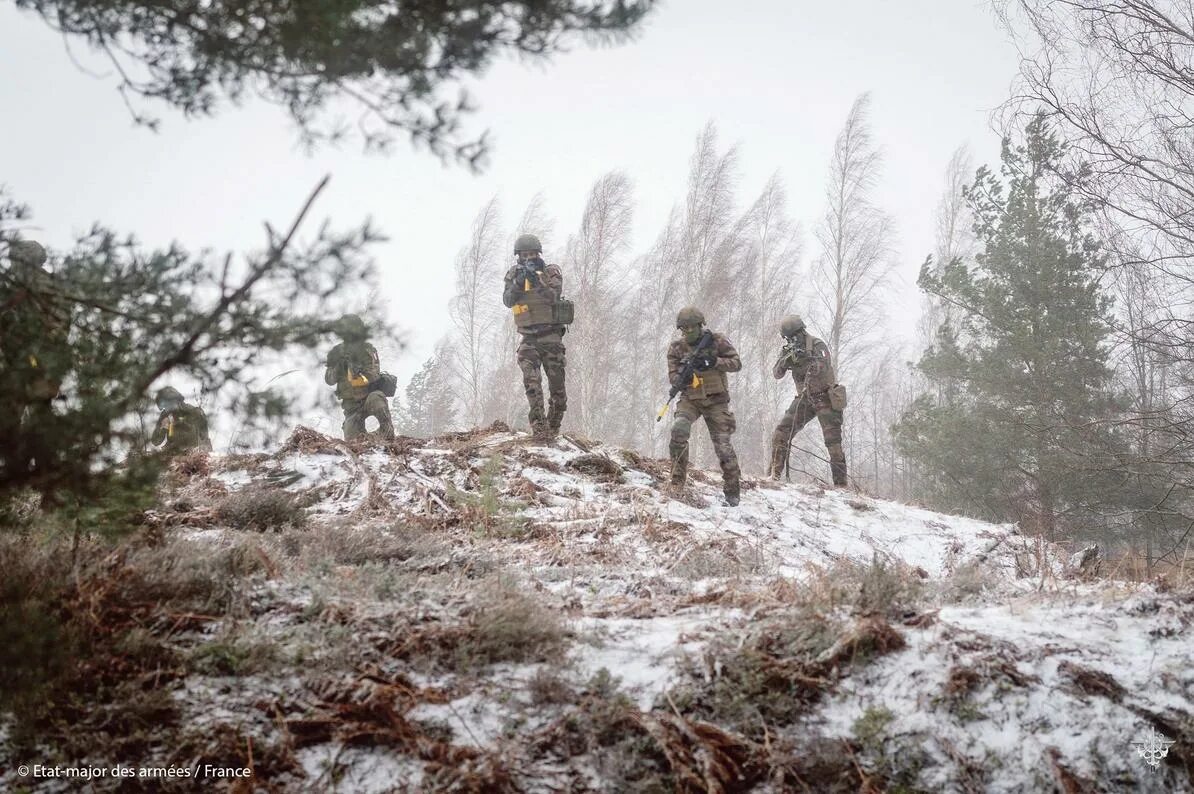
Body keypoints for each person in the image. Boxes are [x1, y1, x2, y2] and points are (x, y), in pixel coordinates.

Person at [666, 306, 742, 506]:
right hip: (690, 398)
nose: (688, 332)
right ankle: (676, 484)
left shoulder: (717, 341)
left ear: (701, 326)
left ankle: (733, 493)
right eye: (684, 329)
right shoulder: (676, 348)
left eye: (692, 328)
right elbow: (673, 375)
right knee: (679, 430)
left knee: (723, 447)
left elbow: (736, 363)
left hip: (717, 400)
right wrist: (683, 377)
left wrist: (713, 361)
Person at [768, 314, 848, 487]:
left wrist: (805, 358)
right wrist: (785, 361)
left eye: (794, 336)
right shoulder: (787, 350)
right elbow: (776, 374)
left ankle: (841, 486)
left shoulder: (817, 345)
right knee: (781, 432)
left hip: (825, 397)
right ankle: (773, 476)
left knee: (833, 442)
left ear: (802, 331)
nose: (792, 340)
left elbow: (823, 365)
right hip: (805, 399)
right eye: (789, 338)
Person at [502, 233, 568, 440]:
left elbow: (553, 296)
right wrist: (519, 282)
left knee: (558, 392)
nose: (528, 258)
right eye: (524, 255)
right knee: (532, 386)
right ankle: (540, 430)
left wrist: (537, 280)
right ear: (518, 256)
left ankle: (553, 427)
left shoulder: (551, 272)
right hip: (528, 339)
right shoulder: (514, 275)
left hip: (551, 338)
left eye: (532, 254)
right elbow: (507, 300)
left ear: (538, 254)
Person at [324, 314, 395, 440]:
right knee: (353, 441)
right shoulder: (336, 352)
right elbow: (329, 380)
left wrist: (359, 372)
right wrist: (339, 368)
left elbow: (374, 374)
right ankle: (369, 439)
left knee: (377, 398)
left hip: (368, 398)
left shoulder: (367, 349)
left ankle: (387, 432)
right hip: (351, 406)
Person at [150, 386, 213, 453]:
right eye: (165, 406)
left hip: (194, 454)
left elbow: (205, 439)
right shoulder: (165, 415)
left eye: (169, 404)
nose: (167, 408)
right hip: (174, 454)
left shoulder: (194, 412)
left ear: (177, 401)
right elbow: (155, 442)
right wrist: (163, 428)